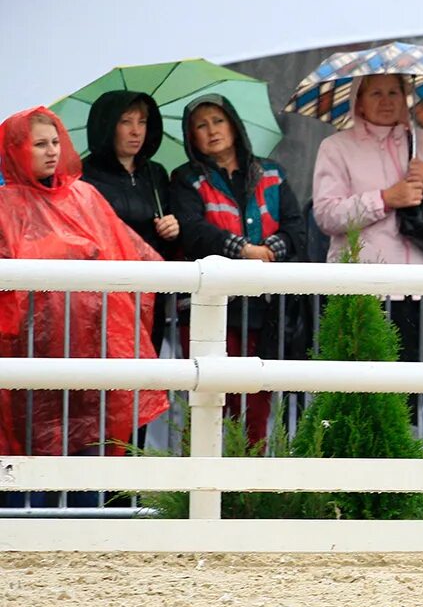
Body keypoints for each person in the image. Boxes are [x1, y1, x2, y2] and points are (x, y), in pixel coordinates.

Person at [0, 107, 169, 490]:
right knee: (28, 455)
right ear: (15, 150)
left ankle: (89, 527)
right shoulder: (5, 206)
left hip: (94, 347)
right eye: (39, 144)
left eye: (56, 142)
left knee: (93, 444)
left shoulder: (85, 196)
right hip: (29, 353)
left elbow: (133, 255)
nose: (51, 151)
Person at [311, 74, 423, 424]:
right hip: (359, 289)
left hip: (415, 291)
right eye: (375, 92)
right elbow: (327, 214)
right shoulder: (335, 147)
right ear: (358, 101)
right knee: (357, 392)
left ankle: (401, 471)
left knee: (408, 396)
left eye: (395, 92)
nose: (386, 100)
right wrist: (385, 199)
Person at [170, 94, 305, 445]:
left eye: (218, 120)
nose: (212, 130)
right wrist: (245, 250)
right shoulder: (186, 179)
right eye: (201, 125)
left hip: (265, 308)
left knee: (257, 403)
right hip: (209, 309)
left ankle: (246, 493)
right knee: (211, 402)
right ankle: (202, 492)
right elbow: (194, 230)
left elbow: (296, 228)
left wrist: (266, 252)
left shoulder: (272, 173)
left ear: (233, 124)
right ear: (191, 137)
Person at [81, 91, 179, 351]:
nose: (136, 131)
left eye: (142, 122)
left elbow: (168, 232)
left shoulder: (155, 173)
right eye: (126, 122)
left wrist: (171, 228)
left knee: (148, 365)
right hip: (106, 290)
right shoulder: (84, 176)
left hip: (151, 289)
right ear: (107, 125)